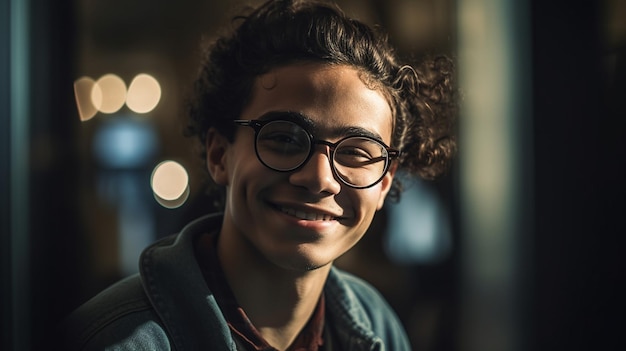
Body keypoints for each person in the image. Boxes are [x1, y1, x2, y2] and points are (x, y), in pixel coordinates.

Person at [62, 0, 456, 349]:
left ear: (385, 182)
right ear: (220, 155)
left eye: (356, 152)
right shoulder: (115, 340)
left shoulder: (378, 326)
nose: (320, 178)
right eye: (285, 139)